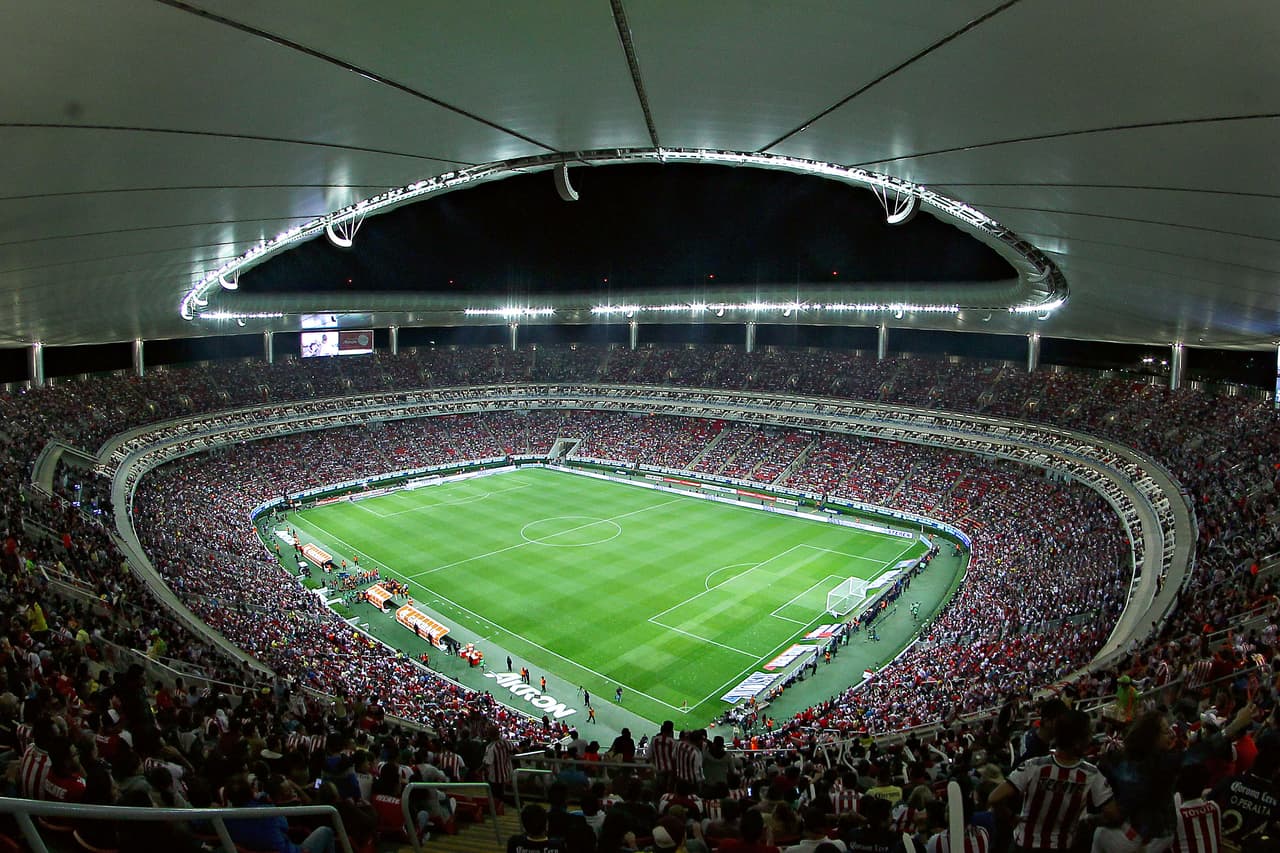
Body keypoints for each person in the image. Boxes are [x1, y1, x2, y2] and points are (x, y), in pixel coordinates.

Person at [989, 710, 1119, 853]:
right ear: (1077, 742)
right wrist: (1088, 821)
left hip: (1024, 845)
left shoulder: (1033, 765)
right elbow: (1112, 813)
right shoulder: (1092, 774)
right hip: (1062, 846)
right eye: (1088, 734)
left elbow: (994, 798)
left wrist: (1012, 817)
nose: (1091, 738)